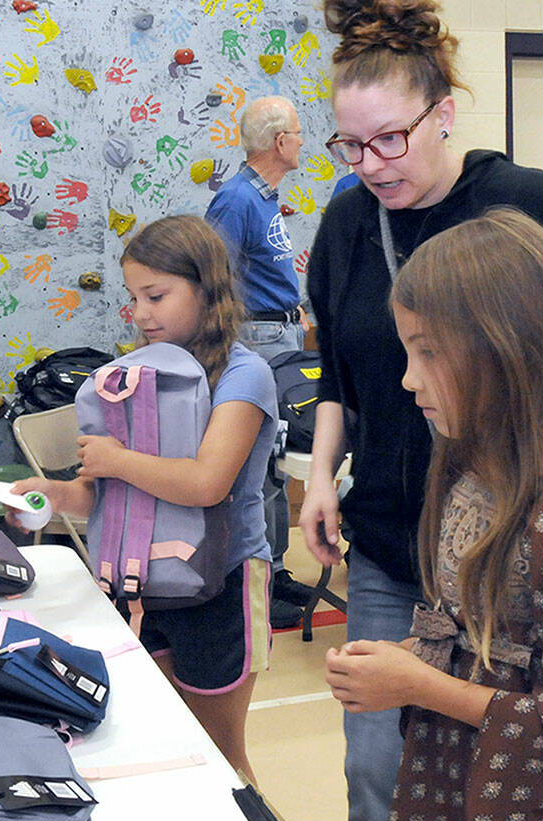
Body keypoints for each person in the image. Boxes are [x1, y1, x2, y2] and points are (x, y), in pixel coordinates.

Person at [300, 2, 543, 821]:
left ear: (443, 113)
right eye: (350, 146)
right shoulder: (348, 223)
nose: (371, 164)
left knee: (501, 769)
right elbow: (343, 379)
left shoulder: (528, 204)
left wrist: (519, 434)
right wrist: (319, 479)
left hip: (509, 544)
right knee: (383, 769)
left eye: (390, 140)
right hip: (397, 536)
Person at [326, 208, 543, 821]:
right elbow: (486, 635)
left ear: (508, 348)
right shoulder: (471, 461)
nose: (408, 379)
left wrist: (420, 685)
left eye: (428, 353)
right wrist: (413, 654)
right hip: (461, 795)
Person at [11, 215, 278, 783]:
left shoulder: (244, 375)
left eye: (156, 296)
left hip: (221, 586)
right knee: (160, 743)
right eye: (134, 298)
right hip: (143, 587)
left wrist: (116, 459)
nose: (141, 314)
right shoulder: (138, 376)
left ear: (208, 289)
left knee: (220, 758)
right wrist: (57, 495)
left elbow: (208, 483)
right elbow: (112, 498)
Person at [204, 95, 305, 607]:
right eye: (298, 133)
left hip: (281, 335)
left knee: (276, 462)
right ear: (280, 142)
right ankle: (258, 579)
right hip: (258, 339)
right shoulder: (237, 199)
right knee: (258, 464)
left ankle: (278, 569)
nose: (303, 142)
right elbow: (212, 278)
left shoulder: (264, 198)